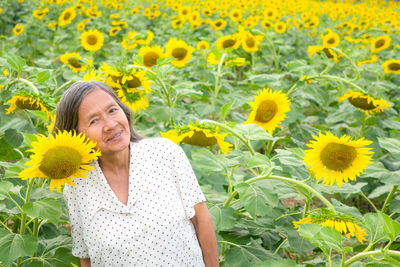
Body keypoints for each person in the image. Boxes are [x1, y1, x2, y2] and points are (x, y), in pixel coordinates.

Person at [54, 80, 219, 267]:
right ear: (76, 135)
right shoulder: (77, 184)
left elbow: (201, 220)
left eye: (112, 110)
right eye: (94, 121)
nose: (110, 125)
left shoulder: (165, 154)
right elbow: (86, 257)